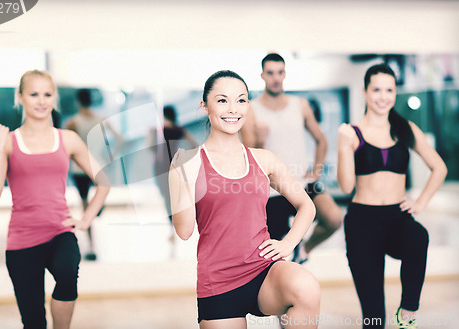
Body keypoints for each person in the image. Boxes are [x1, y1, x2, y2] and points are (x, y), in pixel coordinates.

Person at [169, 70, 320, 328]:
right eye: (222, 100)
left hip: (263, 272)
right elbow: (184, 231)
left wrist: (288, 244)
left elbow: (306, 204)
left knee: (306, 287)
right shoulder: (189, 162)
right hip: (218, 281)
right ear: (204, 106)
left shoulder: (264, 159)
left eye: (241, 100)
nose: (233, 109)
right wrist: (180, 174)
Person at [0, 70, 110, 329]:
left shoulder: (68, 138)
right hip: (21, 242)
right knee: (33, 323)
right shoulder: (8, 142)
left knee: (67, 275)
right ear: (20, 97)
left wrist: (86, 220)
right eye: (33, 94)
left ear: (54, 98)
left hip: (60, 233)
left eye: (47, 94)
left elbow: (103, 182)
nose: (41, 101)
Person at [337, 63, 447, 329]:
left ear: (395, 92)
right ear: (365, 92)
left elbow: (439, 167)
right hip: (363, 221)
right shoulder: (351, 133)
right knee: (374, 319)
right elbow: (345, 186)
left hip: (397, 218)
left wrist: (421, 202)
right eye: (376, 89)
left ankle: (407, 313)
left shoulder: (404, 128)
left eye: (389, 90)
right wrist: (343, 145)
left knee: (418, 236)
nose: (383, 96)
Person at [241, 53, 344, 263]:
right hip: (272, 190)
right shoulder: (251, 111)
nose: (276, 78)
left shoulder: (301, 105)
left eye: (280, 72)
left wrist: (315, 172)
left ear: (285, 73)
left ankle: (304, 250)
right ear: (262, 75)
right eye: (270, 73)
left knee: (334, 218)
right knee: (274, 253)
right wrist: (260, 141)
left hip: (302, 182)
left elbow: (321, 140)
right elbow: (249, 157)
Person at [64, 88, 114, 261]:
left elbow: (64, 146)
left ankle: (92, 246)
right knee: (101, 191)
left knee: (85, 205)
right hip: (98, 165)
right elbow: (119, 138)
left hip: (79, 169)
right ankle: (98, 206)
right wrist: (111, 156)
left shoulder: (72, 122)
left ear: (78, 102)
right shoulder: (102, 120)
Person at [150, 105, 197, 255]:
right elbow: (194, 144)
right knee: (174, 198)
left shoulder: (157, 131)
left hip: (160, 167)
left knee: (166, 198)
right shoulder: (179, 130)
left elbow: (150, 148)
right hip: (174, 165)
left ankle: (172, 228)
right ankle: (176, 227)